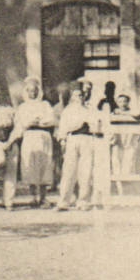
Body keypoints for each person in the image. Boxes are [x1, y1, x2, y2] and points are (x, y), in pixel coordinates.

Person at [7, 77, 57, 207]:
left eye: (34, 90)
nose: (32, 93)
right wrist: (28, 123)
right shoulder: (23, 107)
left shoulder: (45, 105)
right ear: (26, 92)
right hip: (29, 137)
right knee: (30, 166)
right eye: (29, 91)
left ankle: (43, 197)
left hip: (43, 136)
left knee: (44, 165)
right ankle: (33, 197)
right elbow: (19, 124)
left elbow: (52, 119)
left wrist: (42, 122)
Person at [56, 81, 97, 210]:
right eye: (76, 95)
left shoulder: (90, 109)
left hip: (87, 139)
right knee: (69, 171)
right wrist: (63, 140)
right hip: (72, 139)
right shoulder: (68, 111)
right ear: (72, 97)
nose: (79, 98)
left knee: (86, 171)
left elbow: (95, 124)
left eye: (81, 95)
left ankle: (83, 201)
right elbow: (63, 127)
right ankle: (64, 201)